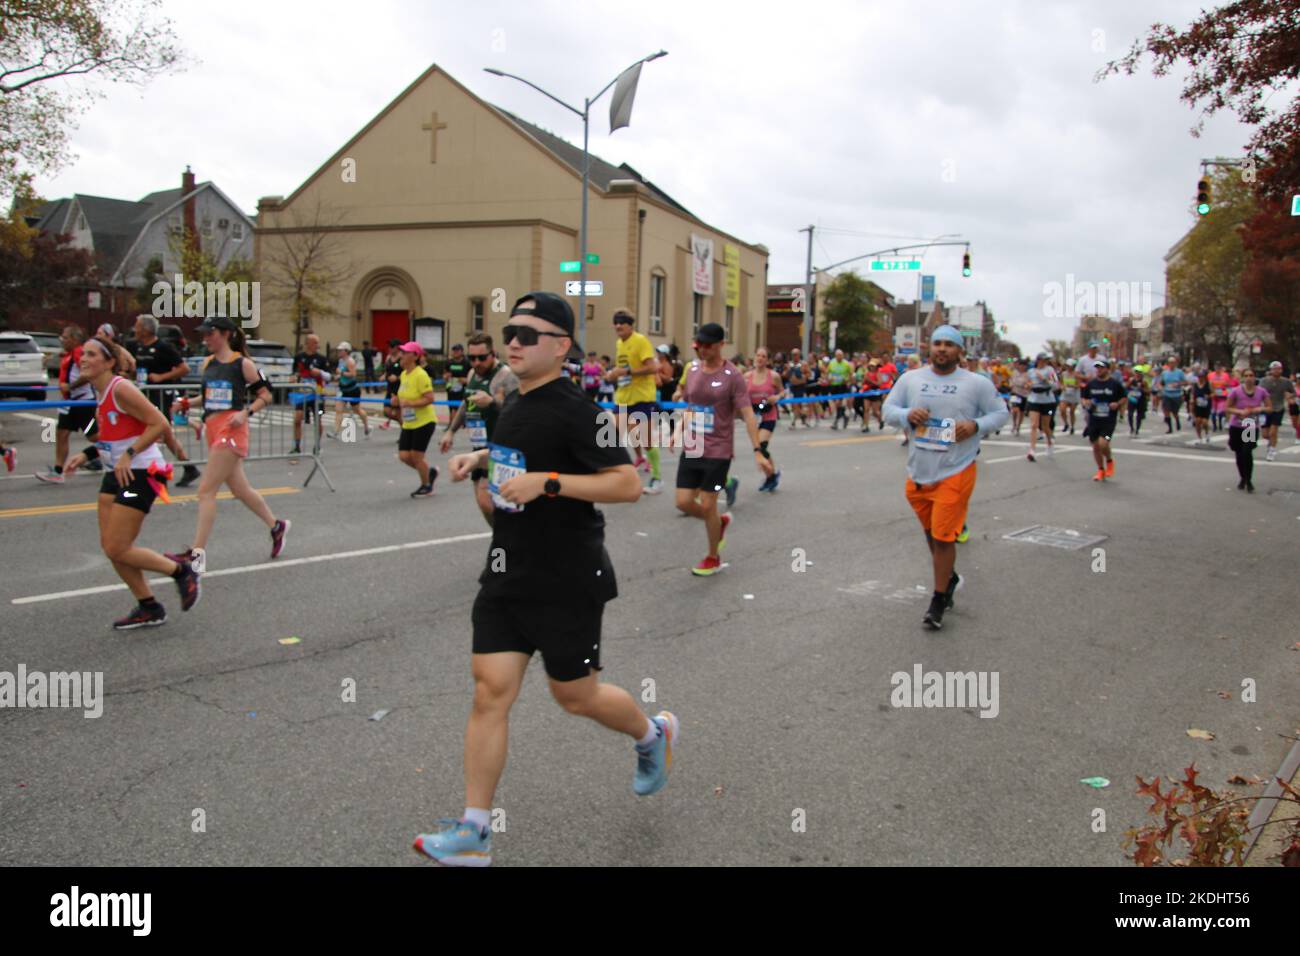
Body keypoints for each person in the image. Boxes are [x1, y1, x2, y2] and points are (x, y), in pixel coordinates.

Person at [412, 291, 673, 868]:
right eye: (510, 332)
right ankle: (474, 832)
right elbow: (517, 454)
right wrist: (478, 461)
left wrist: (549, 482)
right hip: (508, 568)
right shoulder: (511, 401)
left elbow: (627, 484)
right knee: (489, 692)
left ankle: (652, 735)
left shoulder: (586, 412)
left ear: (560, 346)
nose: (513, 342)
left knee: (574, 697)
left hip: (568, 574)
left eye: (529, 335)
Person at [59, 335, 201, 629]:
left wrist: (129, 454)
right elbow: (114, 436)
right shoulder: (100, 393)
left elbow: (160, 423)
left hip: (142, 470)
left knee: (118, 546)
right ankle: (149, 606)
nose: (83, 359)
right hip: (117, 472)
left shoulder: (120, 388)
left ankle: (181, 571)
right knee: (111, 547)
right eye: (82, 355)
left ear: (109, 362)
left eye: (91, 354)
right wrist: (86, 455)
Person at [882, 326, 1008, 631]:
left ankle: (938, 599)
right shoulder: (911, 379)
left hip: (956, 468)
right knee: (931, 533)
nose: (942, 349)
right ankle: (948, 575)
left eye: (949, 344)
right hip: (919, 472)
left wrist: (975, 425)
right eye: (937, 343)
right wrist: (906, 415)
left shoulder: (976, 383)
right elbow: (888, 409)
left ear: (959, 351)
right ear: (930, 348)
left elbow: (1001, 413)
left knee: (942, 536)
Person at [164, 317, 289, 575]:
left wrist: (246, 413)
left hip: (232, 431)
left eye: (210, 334)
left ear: (226, 334)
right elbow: (208, 397)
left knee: (206, 491)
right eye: (204, 334)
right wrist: (188, 403)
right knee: (240, 490)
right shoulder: (209, 363)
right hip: (213, 428)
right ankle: (276, 526)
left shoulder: (243, 364)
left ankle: (196, 555)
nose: (206, 339)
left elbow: (266, 394)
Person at [673, 322, 775, 576]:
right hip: (694, 446)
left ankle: (712, 556)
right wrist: (677, 431)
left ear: (721, 345)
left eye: (708, 345)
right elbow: (691, 406)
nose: (702, 350)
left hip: (719, 450)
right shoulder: (693, 369)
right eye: (698, 345)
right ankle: (720, 523)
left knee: (708, 505)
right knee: (683, 502)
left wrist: (757, 451)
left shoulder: (733, 376)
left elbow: (748, 414)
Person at [440, 332, 518, 521]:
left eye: (482, 358)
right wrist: (451, 431)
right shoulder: (472, 373)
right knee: (484, 502)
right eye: (472, 358)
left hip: (501, 445)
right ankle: (503, 539)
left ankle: (506, 541)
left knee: (492, 502)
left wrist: (492, 402)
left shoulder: (507, 376)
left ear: (493, 354)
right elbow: (466, 404)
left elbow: (518, 411)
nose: (476, 363)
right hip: (478, 444)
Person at [128, 315, 202, 488]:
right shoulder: (137, 347)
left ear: (146, 330)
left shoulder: (163, 347)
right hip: (145, 395)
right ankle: (188, 467)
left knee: (155, 433)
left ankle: (155, 471)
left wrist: (162, 377)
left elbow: (184, 368)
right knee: (164, 435)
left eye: (137, 326)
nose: (135, 330)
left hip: (161, 396)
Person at [36, 325, 98, 484]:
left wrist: (70, 386)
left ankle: (120, 450)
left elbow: (88, 374)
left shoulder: (79, 353)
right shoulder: (69, 354)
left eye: (65, 337)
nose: (62, 340)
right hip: (69, 403)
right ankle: (58, 471)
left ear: (74, 339)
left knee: (94, 436)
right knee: (61, 433)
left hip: (83, 402)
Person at [608, 310, 661, 493]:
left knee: (645, 440)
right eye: (615, 322)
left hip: (642, 397)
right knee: (614, 431)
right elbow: (622, 367)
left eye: (622, 322)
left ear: (631, 325)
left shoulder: (640, 341)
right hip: (623, 396)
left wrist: (627, 372)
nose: (618, 326)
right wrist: (613, 374)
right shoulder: (619, 343)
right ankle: (626, 467)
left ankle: (657, 478)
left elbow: (652, 367)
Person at [394, 341, 439, 497]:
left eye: (406, 352)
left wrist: (411, 403)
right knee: (404, 456)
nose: (402, 355)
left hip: (424, 421)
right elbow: (403, 396)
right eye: (402, 352)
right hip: (409, 422)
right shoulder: (403, 374)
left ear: (415, 356)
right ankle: (429, 472)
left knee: (416, 457)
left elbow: (430, 398)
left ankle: (427, 486)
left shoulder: (421, 374)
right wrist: (397, 402)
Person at [744, 346, 784, 491]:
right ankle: (771, 476)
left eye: (763, 356)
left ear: (768, 360)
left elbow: (782, 391)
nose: (760, 358)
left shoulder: (773, 376)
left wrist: (777, 397)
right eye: (758, 355)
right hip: (753, 417)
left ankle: (771, 476)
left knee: (761, 446)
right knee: (759, 449)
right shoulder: (747, 376)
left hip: (769, 415)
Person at [1080, 359, 1126, 481]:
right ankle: (1101, 469)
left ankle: (1109, 461)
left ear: (1107, 369)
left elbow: (1124, 398)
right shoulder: (1092, 384)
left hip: (1108, 420)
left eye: (1101, 367)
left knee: (1103, 443)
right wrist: (1086, 403)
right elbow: (1084, 398)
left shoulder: (1114, 384)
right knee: (1095, 446)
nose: (1099, 370)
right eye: (1097, 368)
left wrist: (1117, 404)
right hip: (1094, 419)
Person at [1225, 368, 1270, 492]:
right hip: (1236, 425)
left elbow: (1269, 407)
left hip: (1250, 425)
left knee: (1246, 451)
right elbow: (1227, 407)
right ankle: (1242, 477)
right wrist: (1240, 411)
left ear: (1255, 377)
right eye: (1246, 375)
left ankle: (1249, 480)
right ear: (1243, 378)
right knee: (1239, 453)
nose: (1249, 378)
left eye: (1251, 375)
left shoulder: (1261, 391)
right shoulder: (1236, 391)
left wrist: (1257, 410)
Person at [290, 334, 330, 455]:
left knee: (318, 419)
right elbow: (294, 373)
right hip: (302, 394)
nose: (317, 346)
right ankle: (297, 446)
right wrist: (292, 378)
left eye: (318, 343)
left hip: (317, 394)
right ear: (308, 344)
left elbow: (329, 377)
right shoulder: (298, 357)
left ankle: (317, 445)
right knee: (297, 418)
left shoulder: (322, 359)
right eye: (315, 343)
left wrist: (320, 373)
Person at [330, 341, 370, 439]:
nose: (339, 352)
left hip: (352, 389)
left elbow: (353, 374)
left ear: (346, 351)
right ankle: (335, 432)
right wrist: (338, 376)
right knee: (338, 410)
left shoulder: (350, 361)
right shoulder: (341, 361)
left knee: (357, 410)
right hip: (343, 389)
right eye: (338, 350)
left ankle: (366, 426)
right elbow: (341, 373)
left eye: (341, 350)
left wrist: (342, 373)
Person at [1258, 361, 1295, 462]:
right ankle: (1271, 444)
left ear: (1281, 370)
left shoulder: (1286, 382)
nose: (1276, 371)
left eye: (1278, 369)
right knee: (1265, 434)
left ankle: (1272, 450)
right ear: (1270, 370)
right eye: (1274, 369)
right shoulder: (1264, 381)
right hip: (1265, 409)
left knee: (1273, 431)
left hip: (1278, 408)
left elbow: (1293, 392)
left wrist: (1289, 396)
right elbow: (1258, 393)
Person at [1025, 353, 1058, 461]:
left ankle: (1049, 442)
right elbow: (1027, 384)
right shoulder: (1031, 371)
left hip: (1047, 400)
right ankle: (1032, 450)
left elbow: (1055, 384)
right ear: (1038, 360)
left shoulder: (1050, 370)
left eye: (1046, 360)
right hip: (1034, 399)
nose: (1045, 362)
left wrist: (1044, 379)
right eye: (1043, 360)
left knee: (1045, 426)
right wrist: (1028, 385)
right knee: (1034, 425)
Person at [1156, 356, 1186, 433]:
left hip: (1176, 395)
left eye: (1173, 363)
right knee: (1166, 411)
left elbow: (1185, 382)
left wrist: (1178, 384)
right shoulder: (1165, 373)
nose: (1172, 364)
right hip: (1167, 394)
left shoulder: (1179, 372)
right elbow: (1161, 383)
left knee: (1174, 412)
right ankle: (1170, 428)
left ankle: (1177, 420)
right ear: (1168, 364)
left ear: (1175, 363)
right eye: (1170, 363)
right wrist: (1160, 387)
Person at [825, 348, 854, 429]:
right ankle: (845, 417)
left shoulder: (846, 364)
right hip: (834, 386)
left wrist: (847, 380)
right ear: (835, 356)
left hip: (842, 385)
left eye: (841, 355)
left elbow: (851, 375)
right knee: (837, 404)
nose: (839, 357)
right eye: (838, 355)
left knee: (838, 403)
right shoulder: (832, 363)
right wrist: (828, 380)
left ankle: (835, 422)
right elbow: (827, 373)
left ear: (843, 356)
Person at [444, 343, 470, 425]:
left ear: (462, 352)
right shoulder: (449, 362)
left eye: (457, 350)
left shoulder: (467, 363)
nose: (455, 352)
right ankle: (451, 424)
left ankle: (462, 423)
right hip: (451, 387)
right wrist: (446, 376)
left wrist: (465, 380)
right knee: (451, 407)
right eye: (454, 350)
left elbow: (472, 376)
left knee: (462, 407)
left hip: (463, 388)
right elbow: (444, 374)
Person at [783, 348, 810, 428]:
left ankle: (800, 418)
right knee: (793, 404)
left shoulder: (803, 364)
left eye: (796, 354)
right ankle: (796, 419)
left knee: (798, 404)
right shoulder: (789, 364)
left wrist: (803, 376)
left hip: (800, 386)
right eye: (793, 355)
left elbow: (809, 373)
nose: (794, 356)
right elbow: (784, 374)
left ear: (799, 355)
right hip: (792, 386)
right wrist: (787, 372)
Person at [380, 338, 403, 430]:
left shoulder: (402, 358)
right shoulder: (388, 358)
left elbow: (408, 373)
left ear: (397, 348)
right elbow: (387, 371)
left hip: (399, 388)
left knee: (397, 412)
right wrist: (384, 376)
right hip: (390, 387)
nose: (389, 348)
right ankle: (405, 426)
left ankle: (405, 432)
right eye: (389, 346)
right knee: (386, 411)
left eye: (392, 346)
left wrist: (397, 378)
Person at [1207, 363, 1234, 432]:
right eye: (1216, 368)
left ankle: (1220, 423)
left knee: (1220, 412)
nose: (1217, 369)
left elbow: (1228, 386)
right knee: (1213, 412)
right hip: (1214, 395)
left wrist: (1226, 387)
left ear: (1221, 368)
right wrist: (1211, 391)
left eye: (1219, 368)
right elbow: (1208, 385)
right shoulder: (1210, 375)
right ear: (1214, 368)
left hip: (1222, 396)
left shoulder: (1225, 375)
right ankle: (1214, 426)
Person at [1008, 358, 1030, 436]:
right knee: (1015, 410)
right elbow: (1011, 381)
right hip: (1015, 393)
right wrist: (1011, 385)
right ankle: (1014, 424)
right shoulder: (1014, 372)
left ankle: (1018, 426)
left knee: (1021, 411)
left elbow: (1029, 384)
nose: (1022, 367)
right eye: (1021, 365)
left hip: (1024, 394)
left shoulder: (1028, 374)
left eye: (1024, 365)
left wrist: (1027, 385)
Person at [1058, 359, 1081, 435]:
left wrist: (1072, 386)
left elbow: (1078, 385)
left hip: (1074, 395)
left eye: (1070, 366)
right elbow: (1060, 383)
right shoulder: (1063, 374)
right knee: (1062, 410)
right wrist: (1062, 387)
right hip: (1065, 395)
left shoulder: (1076, 374)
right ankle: (1066, 423)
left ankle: (1072, 427)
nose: (1068, 367)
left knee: (1072, 412)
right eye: (1067, 366)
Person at [1190, 373, 1213, 445]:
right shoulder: (1195, 385)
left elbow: (1214, 393)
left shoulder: (1208, 385)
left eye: (1202, 377)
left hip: (1206, 406)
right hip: (1197, 405)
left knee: (1204, 422)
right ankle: (1199, 437)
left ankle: (1206, 433)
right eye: (1199, 377)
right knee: (1197, 421)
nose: (1200, 378)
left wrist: (1208, 396)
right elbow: (1192, 394)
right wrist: (1192, 400)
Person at [1125, 367, 1149, 436]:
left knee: (1139, 416)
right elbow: (1126, 387)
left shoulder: (1144, 381)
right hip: (1132, 399)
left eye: (1139, 372)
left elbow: (1148, 391)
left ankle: (1137, 429)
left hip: (1140, 400)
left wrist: (1141, 388)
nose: (1138, 374)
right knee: (1130, 414)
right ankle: (1131, 428)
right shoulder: (1131, 380)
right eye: (1136, 372)